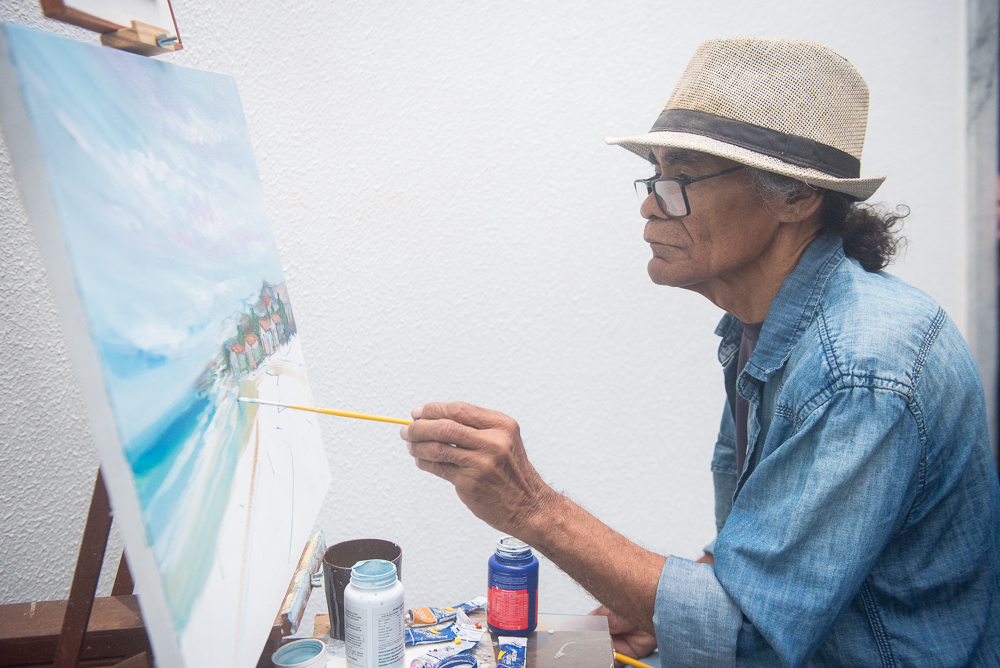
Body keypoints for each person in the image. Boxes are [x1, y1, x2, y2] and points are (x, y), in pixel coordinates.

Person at [399, 38, 1000, 666]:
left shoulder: (860, 367)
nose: (649, 204)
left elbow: (748, 635)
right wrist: (656, 613)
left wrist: (533, 507)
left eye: (681, 180)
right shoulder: (764, 327)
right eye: (654, 177)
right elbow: (773, 548)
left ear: (797, 196)